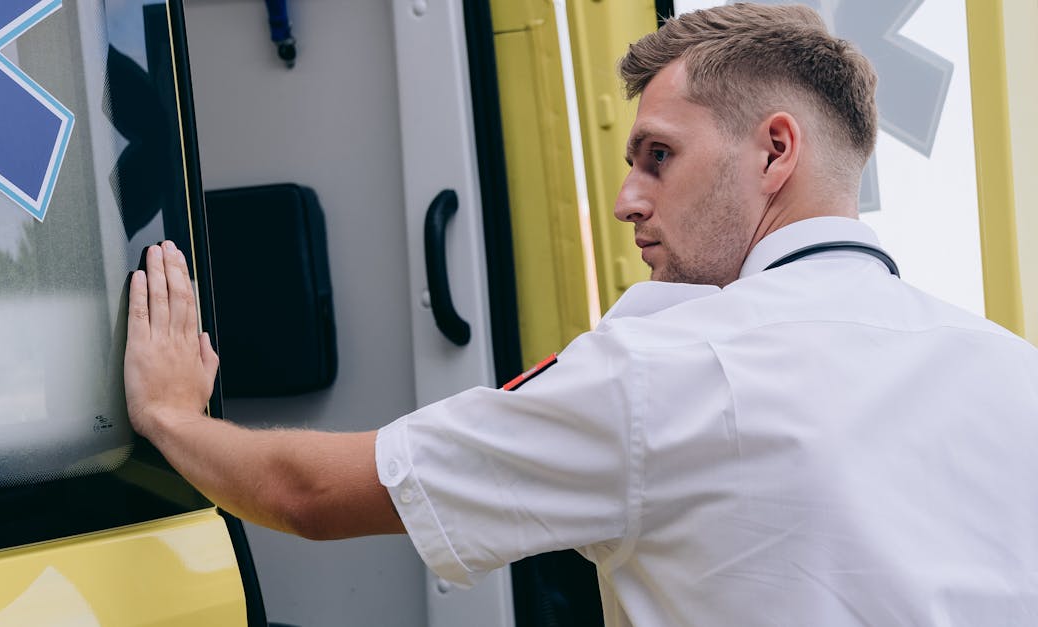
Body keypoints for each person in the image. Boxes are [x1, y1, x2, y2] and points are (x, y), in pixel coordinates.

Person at [124, 4, 1038, 625]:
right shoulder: (1008, 369)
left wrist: (171, 417)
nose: (626, 199)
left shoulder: (665, 368)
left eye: (658, 156)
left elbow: (309, 494)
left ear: (774, 151)